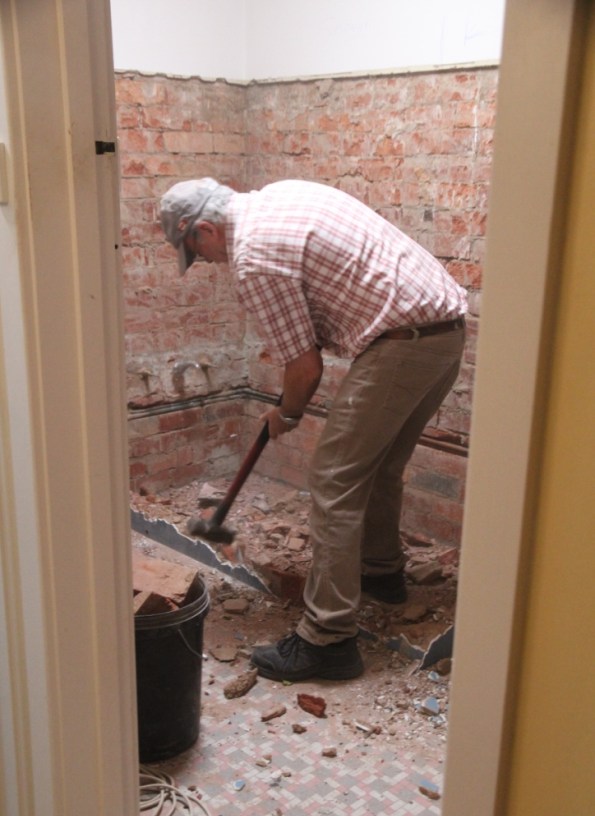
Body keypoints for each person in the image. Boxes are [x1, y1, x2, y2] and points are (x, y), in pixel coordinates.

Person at [160, 177, 467, 683]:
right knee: (381, 463)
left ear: (207, 229)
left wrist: (288, 413)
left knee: (332, 481)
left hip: (403, 342)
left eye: (196, 251)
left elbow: (304, 368)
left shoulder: (254, 257)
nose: (207, 263)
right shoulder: (282, 194)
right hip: (445, 331)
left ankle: (327, 641)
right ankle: (381, 572)